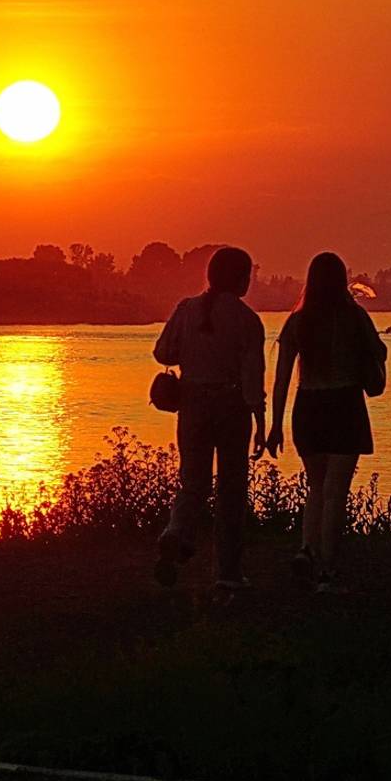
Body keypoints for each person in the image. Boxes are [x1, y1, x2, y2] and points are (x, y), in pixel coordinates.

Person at [266, 251, 387, 593]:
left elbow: (281, 379)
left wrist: (275, 425)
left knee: (316, 486)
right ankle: (328, 573)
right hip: (345, 405)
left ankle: (307, 548)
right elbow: (377, 354)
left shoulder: (297, 322)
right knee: (336, 492)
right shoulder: (356, 317)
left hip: (308, 406)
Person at [151, 247, 266, 593]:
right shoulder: (248, 320)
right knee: (232, 488)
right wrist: (260, 420)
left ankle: (175, 533)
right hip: (231, 404)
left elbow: (162, 353)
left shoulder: (186, 310)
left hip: (192, 403)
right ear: (240, 279)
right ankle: (228, 571)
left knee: (193, 480)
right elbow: (253, 378)